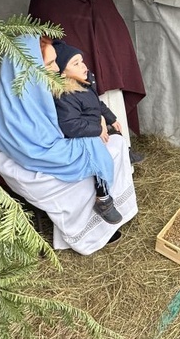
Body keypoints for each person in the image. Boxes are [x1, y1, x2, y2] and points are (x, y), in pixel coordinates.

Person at [0, 35, 138, 255]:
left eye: (56, 61)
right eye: (49, 64)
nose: (56, 69)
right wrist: (93, 131)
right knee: (93, 164)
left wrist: (96, 124)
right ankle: (89, 231)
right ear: (26, 65)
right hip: (23, 166)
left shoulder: (33, 86)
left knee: (110, 147)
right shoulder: (16, 99)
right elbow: (36, 149)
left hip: (41, 152)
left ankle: (104, 216)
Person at [29, 0, 146, 163]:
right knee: (87, 123)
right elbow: (40, 42)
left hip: (108, 70)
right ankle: (99, 170)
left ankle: (124, 151)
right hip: (73, 81)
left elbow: (114, 30)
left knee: (113, 110)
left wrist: (116, 60)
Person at [52, 39, 125, 224]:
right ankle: (103, 200)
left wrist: (110, 118)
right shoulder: (65, 95)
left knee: (117, 135)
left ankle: (127, 155)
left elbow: (98, 104)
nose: (83, 66)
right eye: (75, 64)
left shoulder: (84, 84)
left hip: (94, 127)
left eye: (82, 61)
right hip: (83, 136)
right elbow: (70, 125)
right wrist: (96, 129)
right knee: (98, 163)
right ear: (62, 72)